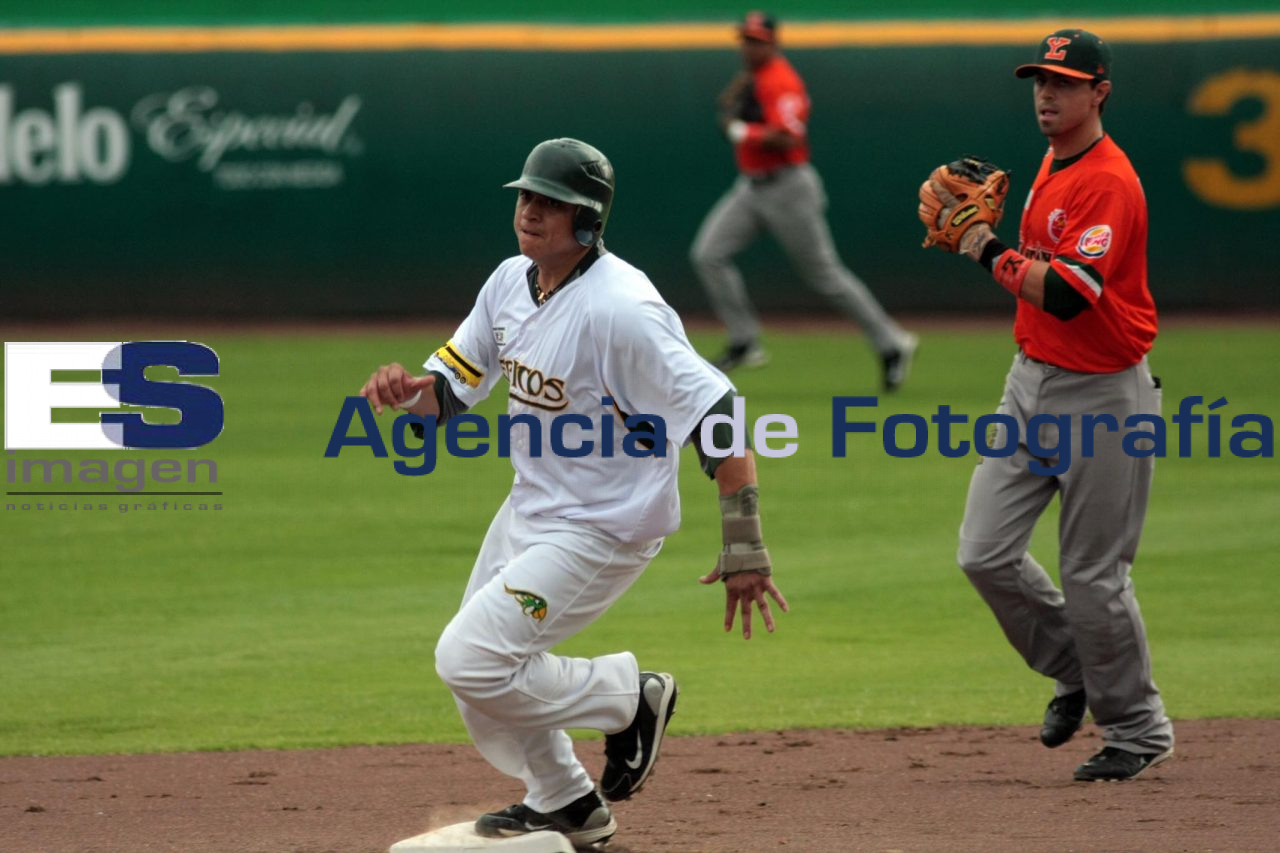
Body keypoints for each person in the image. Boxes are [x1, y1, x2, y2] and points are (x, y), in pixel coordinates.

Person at [359, 138, 789, 846]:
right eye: (526, 196)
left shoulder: (621, 310)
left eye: (550, 202)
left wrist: (745, 543)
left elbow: (720, 417)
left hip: (605, 525)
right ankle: (566, 801)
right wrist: (407, 394)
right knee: (480, 682)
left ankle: (630, 696)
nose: (530, 211)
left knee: (469, 657)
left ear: (588, 220)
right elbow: (449, 392)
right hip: (530, 508)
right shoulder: (509, 282)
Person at [925, 30, 1174, 781]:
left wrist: (980, 247)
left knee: (1093, 573)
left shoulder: (1109, 181)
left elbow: (1070, 294)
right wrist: (994, 244)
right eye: (1040, 80)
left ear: (1099, 91)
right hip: (1028, 382)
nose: (1046, 94)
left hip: (1105, 394)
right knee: (983, 550)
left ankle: (1137, 726)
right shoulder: (1050, 162)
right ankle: (1077, 668)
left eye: (1064, 83)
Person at [690, 11, 918, 391]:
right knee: (708, 254)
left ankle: (892, 342)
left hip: (788, 188)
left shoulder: (781, 81)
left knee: (826, 277)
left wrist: (742, 129)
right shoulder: (754, 77)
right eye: (746, 39)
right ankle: (745, 340)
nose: (749, 46)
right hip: (751, 187)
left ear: (773, 43)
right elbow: (732, 105)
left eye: (757, 40)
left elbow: (790, 138)